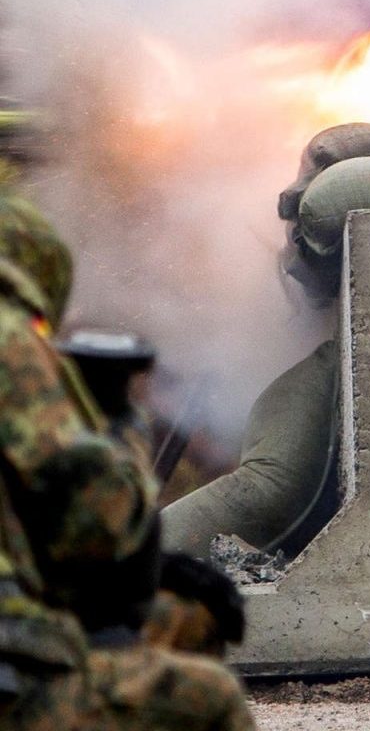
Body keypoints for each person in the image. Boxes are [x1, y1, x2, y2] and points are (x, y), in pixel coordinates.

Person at [0, 187, 254, 730]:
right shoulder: (8, 343)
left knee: (176, 614)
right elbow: (98, 522)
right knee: (209, 700)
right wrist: (121, 428)